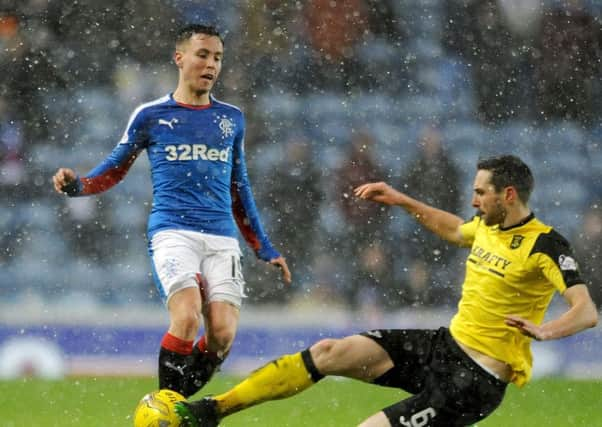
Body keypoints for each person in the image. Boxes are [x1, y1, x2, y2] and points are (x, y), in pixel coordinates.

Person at [176, 155, 598, 427]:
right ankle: (213, 411)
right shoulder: (487, 228)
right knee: (329, 352)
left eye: (480, 193)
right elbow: (453, 228)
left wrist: (545, 331)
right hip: (444, 347)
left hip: (475, 381)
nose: (473, 201)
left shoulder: (546, 244)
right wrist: (400, 199)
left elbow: (585, 311)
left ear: (508, 194)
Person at [52, 24, 291, 398]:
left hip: (221, 235)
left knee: (223, 336)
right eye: (202, 55)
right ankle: (165, 411)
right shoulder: (150, 115)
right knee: (185, 317)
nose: (211, 64)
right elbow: (114, 169)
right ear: (179, 58)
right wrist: (77, 185)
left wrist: (263, 246)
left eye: (217, 58)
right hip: (173, 230)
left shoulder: (231, 119)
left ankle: (173, 405)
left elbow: (239, 189)